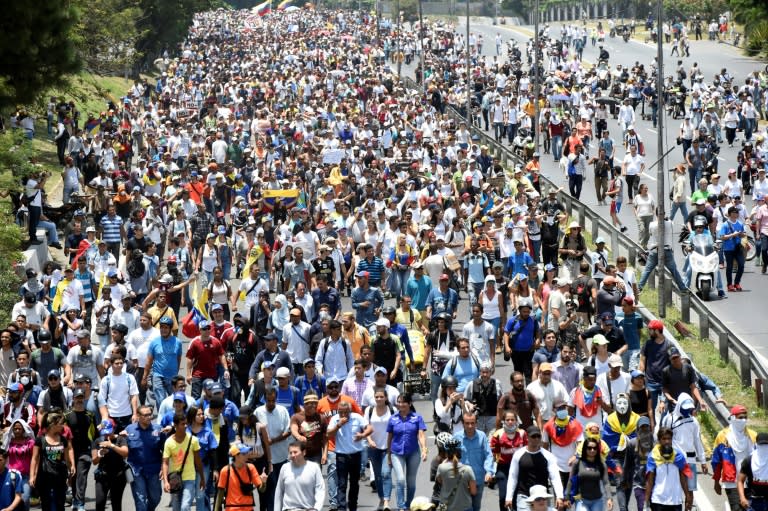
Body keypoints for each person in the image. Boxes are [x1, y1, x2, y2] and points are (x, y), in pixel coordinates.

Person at [505, 426, 565, 511]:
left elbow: (555, 477)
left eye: (538, 436)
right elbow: (513, 477)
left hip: (543, 497)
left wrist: (559, 496)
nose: (536, 439)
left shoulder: (548, 456)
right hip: (524, 496)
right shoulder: (518, 454)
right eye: (533, 436)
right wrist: (509, 497)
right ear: (527, 437)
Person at [659, 393, 708, 492]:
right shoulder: (669, 419)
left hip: (690, 460)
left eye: (689, 409)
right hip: (674, 459)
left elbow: (697, 441)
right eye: (685, 408)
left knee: (690, 490)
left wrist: (703, 461)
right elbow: (663, 439)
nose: (687, 411)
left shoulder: (694, 422)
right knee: (674, 489)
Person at [712, 404, 757, 511]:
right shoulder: (722, 436)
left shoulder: (753, 436)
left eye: (745, 417)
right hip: (731, 481)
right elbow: (716, 461)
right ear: (733, 418)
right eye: (740, 417)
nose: (743, 420)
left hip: (750, 481)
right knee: (737, 508)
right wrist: (716, 481)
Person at [387, 394, 428, 511]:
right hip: (396, 453)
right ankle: (400, 506)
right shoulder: (393, 418)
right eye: (399, 402)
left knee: (411, 481)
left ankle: (408, 504)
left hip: (413, 453)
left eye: (403, 402)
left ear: (409, 404)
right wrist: (389, 455)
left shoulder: (417, 417)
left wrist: (424, 449)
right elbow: (389, 438)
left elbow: (421, 435)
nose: (400, 404)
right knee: (400, 479)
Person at [327, 401, 369, 511]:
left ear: (350, 411)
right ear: (338, 411)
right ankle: (341, 508)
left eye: (346, 412)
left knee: (354, 483)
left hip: (356, 455)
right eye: (341, 412)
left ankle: (352, 506)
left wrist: (363, 435)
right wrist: (339, 424)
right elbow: (328, 434)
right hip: (341, 456)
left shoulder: (357, 417)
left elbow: (369, 428)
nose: (344, 415)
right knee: (342, 483)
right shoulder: (335, 419)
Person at [30, 410, 75, 511]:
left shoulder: (63, 440)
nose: (63, 426)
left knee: (60, 504)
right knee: (46, 505)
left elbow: (66, 458)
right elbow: (34, 458)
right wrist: (32, 476)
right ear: (53, 424)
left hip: (60, 476)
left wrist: (71, 468)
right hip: (44, 477)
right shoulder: (40, 440)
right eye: (61, 424)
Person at [162, 412, 205, 511]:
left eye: (186, 423)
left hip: (190, 478)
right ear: (175, 425)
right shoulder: (168, 442)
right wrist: (165, 481)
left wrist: (202, 478)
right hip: (174, 479)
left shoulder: (193, 440)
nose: (185, 426)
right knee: (176, 508)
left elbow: (198, 462)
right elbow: (165, 463)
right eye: (182, 424)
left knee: (185, 506)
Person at [125, 405, 165, 511]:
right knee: (140, 500)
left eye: (150, 414)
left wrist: (163, 467)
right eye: (145, 415)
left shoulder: (157, 429)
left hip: (154, 470)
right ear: (138, 416)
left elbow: (166, 450)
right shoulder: (129, 429)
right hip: (136, 470)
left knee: (156, 497)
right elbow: (123, 449)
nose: (149, 417)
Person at [645, 427, 693, 511]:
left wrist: (688, 496)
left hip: (675, 501)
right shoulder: (653, 456)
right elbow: (650, 481)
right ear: (659, 440)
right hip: (658, 500)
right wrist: (646, 502)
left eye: (669, 439)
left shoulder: (679, 456)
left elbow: (683, 479)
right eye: (664, 439)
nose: (667, 441)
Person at [455, 412, 494, 511]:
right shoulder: (456, 437)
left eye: (472, 423)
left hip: (478, 479)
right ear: (463, 423)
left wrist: (489, 471)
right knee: (466, 508)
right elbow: (450, 457)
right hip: (462, 480)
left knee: (476, 507)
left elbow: (488, 455)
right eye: (467, 423)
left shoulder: (482, 436)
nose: (470, 426)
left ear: (476, 423)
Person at [272, 441, 326, 511]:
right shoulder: (285, 468)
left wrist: (316, 508)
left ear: (304, 452)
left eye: (295, 452)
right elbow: (279, 491)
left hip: (307, 509)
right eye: (290, 453)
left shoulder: (314, 467)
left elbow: (320, 490)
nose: (293, 455)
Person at [565, 437, 614, 511]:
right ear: (585, 449)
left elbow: (606, 482)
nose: (592, 450)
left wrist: (609, 498)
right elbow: (570, 481)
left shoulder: (602, 464)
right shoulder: (577, 463)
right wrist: (567, 497)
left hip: (598, 500)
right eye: (589, 448)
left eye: (595, 448)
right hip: (581, 499)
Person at [213, 443, 266, 511]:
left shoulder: (251, 468)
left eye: (247, 453)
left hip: (248, 508)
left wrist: (264, 482)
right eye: (244, 454)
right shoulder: (225, 471)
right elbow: (220, 494)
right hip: (232, 508)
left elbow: (262, 490)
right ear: (236, 455)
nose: (247, 455)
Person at [92, 419, 129, 511]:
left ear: (114, 428)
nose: (107, 435)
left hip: (118, 476)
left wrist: (111, 446)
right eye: (104, 432)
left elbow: (125, 453)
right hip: (103, 476)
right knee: (99, 503)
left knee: (116, 504)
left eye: (109, 432)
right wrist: (101, 454)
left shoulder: (121, 439)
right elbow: (94, 461)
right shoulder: (98, 441)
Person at [144, 316, 183, 405]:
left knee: (174, 400)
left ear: (170, 329)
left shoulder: (178, 342)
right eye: (161, 327)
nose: (163, 330)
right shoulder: (154, 342)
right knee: (160, 400)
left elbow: (179, 358)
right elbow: (149, 361)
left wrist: (176, 373)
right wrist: (144, 377)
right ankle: (162, 418)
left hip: (172, 376)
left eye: (166, 328)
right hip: (158, 375)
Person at [434, 434, 476, 511]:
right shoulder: (468, 469)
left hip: (447, 507)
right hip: (465, 507)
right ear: (460, 452)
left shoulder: (441, 468)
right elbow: (473, 492)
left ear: (447, 453)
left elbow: (440, 481)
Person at [737, 432, 768, 511]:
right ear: (756, 445)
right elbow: (740, 480)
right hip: (752, 500)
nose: (764, 448)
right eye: (761, 445)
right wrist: (742, 498)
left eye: (766, 445)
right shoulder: (749, 460)